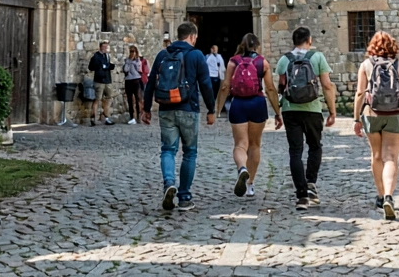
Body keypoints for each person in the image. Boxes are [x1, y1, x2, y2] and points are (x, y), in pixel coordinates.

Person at [143, 22, 217, 211]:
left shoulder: (163, 54)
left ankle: (169, 183)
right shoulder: (196, 55)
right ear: (192, 36)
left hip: (166, 108)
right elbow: (206, 84)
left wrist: (145, 109)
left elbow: (151, 82)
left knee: (168, 149)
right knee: (189, 152)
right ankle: (184, 197)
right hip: (188, 109)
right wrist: (211, 109)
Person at [353, 31, 399, 220]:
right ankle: (390, 196)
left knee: (376, 155)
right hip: (396, 114)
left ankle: (381, 196)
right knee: (391, 156)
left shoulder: (366, 65)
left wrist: (356, 118)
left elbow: (359, 93)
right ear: (393, 46)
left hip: (372, 114)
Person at [213, 33, 282, 198]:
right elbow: (271, 89)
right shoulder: (262, 62)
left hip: (238, 104)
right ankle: (250, 184)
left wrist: (217, 110)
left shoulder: (233, 62)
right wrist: (278, 112)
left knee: (240, 145)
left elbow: (225, 87)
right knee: (255, 145)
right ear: (257, 46)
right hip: (257, 104)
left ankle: (242, 168)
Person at [276, 26, 335, 211]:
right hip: (312, 109)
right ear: (309, 40)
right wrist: (332, 110)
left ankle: (301, 196)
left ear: (293, 41)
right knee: (315, 146)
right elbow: (326, 85)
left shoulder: (284, 60)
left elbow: (281, 86)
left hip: (290, 109)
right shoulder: (317, 57)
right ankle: (311, 184)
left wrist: (278, 111)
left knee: (295, 151)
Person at [88, 41, 115, 126]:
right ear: (100, 47)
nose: (105, 48)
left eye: (106, 47)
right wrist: (101, 67)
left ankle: (106, 117)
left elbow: (108, 66)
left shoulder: (107, 55)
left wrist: (109, 66)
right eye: (104, 47)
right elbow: (91, 67)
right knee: (97, 99)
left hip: (107, 80)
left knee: (108, 99)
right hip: (99, 81)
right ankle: (93, 118)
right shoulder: (96, 56)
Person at [122, 44, 147, 125]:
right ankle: (131, 116)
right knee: (130, 99)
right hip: (128, 80)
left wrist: (135, 61)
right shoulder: (126, 60)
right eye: (131, 51)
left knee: (138, 98)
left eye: (133, 51)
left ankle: (138, 116)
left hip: (136, 80)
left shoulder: (138, 60)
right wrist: (129, 62)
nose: (132, 53)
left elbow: (138, 69)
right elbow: (125, 70)